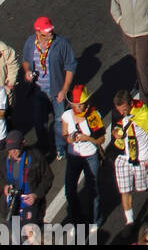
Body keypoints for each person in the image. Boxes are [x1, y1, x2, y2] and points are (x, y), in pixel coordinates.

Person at [21, 15, 75, 162]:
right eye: (46, 33)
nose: (50, 34)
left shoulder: (61, 44)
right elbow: (25, 61)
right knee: (39, 122)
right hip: (38, 91)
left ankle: (60, 148)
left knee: (59, 121)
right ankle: (44, 147)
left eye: (51, 31)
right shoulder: (31, 43)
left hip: (56, 90)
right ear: (38, 33)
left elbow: (70, 67)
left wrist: (64, 90)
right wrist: (27, 72)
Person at [111, 89, 148, 235]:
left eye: (124, 109)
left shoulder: (143, 115)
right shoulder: (118, 114)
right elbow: (115, 128)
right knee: (125, 190)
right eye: (119, 110)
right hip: (125, 157)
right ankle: (129, 221)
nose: (122, 113)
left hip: (141, 157)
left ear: (130, 103)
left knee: (143, 186)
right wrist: (115, 133)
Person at [61, 85, 105, 227]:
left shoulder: (93, 115)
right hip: (74, 156)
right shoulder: (67, 116)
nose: (80, 107)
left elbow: (101, 139)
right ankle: (77, 220)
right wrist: (70, 139)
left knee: (93, 189)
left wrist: (87, 138)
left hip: (90, 156)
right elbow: (64, 135)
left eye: (82, 104)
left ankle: (95, 219)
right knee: (70, 190)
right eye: (77, 105)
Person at [2, 130, 53, 225]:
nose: (12, 152)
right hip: (12, 204)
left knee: (31, 235)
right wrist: (5, 186)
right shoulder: (4, 159)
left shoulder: (35, 157)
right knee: (16, 235)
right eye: (10, 149)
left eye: (16, 148)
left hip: (30, 203)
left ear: (23, 144)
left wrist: (36, 195)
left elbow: (48, 178)